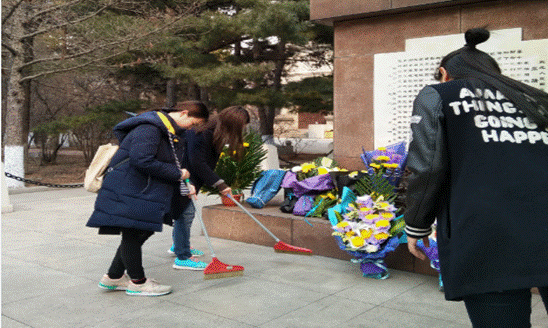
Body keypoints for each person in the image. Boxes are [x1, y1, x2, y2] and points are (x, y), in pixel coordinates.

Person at [404, 28, 548, 327]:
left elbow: (428, 167)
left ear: (444, 73)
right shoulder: (536, 99)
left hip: (488, 236)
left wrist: (416, 225)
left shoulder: (438, 95)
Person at [86, 101, 209, 296]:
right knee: (133, 233)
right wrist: (179, 174)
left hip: (142, 189)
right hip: (131, 188)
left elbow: (169, 162)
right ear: (184, 113)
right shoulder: (150, 128)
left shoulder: (167, 131)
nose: (192, 128)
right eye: (193, 123)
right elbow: (142, 160)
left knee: (140, 231)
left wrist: (185, 179)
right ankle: (138, 282)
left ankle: (114, 277)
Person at [168, 106, 251, 270]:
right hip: (183, 177)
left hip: (192, 177)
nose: (243, 129)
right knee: (186, 214)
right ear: (233, 123)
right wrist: (220, 184)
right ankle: (182, 256)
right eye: (242, 126)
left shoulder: (214, 133)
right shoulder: (202, 133)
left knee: (184, 213)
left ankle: (178, 246)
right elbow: (197, 162)